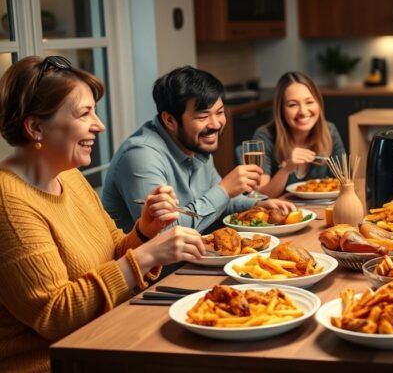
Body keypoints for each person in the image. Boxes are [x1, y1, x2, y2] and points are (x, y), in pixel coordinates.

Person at [0, 56, 205, 373]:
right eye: (85, 114)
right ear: (36, 127)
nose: (99, 125)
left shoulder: (67, 175)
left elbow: (113, 253)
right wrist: (147, 255)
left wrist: (144, 233)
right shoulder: (8, 203)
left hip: (104, 342)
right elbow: (55, 314)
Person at [102, 66, 294, 233]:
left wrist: (258, 204)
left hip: (195, 257)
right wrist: (224, 189)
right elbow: (165, 231)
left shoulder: (195, 142)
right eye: (203, 117)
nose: (216, 124)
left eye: (219, 113)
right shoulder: (140, 155)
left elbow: (220, 203)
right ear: (169, 120)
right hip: (158, 273)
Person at [250, 72, 345, 198]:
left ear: (319, 103)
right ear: (281, 110)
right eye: (292, 105)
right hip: (283, 213)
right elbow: (260, 196)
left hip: (324, 210)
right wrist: (286, 169)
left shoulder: (329, 130)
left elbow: (345, 182)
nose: (303, 111)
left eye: (309, 102)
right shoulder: (264, 136)